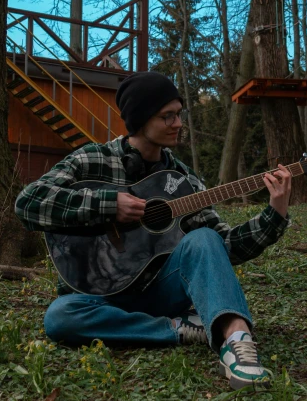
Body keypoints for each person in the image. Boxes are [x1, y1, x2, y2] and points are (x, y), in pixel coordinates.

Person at [15, 71, 292, 390]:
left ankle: (237, 342)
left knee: (204, 238)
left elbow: (222, 249)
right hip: (99, 296)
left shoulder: (182, 179)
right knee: (60, 317)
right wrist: (107, 205)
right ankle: (181, 329)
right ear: (140, 120)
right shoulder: (92, 159)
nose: (178, 123)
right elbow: (29, 203)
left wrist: (275, 213)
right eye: (167, 116)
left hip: (161, 290)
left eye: (179, 114)